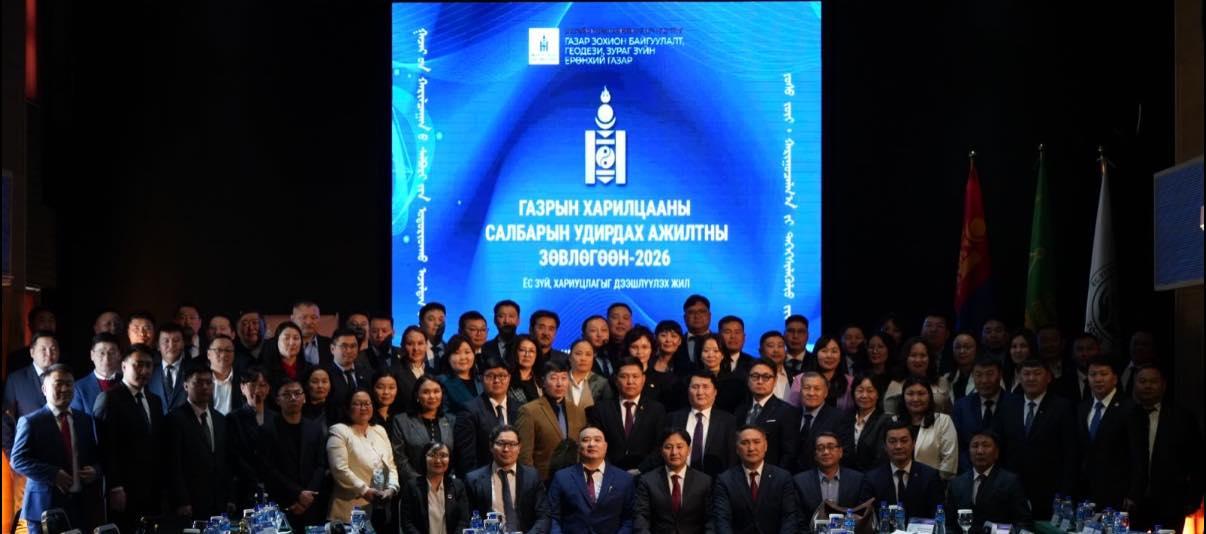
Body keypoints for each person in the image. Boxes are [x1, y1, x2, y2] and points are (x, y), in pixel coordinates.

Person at [11, 364, 102, 534]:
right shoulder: (31, 422)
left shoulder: (85, 420)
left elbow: (97, 456)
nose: (65, 388)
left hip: (80, 507)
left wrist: (95, 471)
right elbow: (17, 460)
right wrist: (53, 474)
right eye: (58, 383)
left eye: (69, 384)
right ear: (44, 389)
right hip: (44, 508)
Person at [93, 345, 163, 532]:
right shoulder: (108, 398)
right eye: (138, 364)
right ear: (123, 366)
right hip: (123, 489)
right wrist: (115, 487)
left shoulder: (155, 401)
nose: (144, 370)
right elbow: (105, 447)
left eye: (148, 365)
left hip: (152, 488)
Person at [995, 359, 1077, 521]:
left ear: (1048, 377)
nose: (1031, 378)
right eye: (1026, 374)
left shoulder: (1063, 407)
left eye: (1037, 373)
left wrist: (1065, 491)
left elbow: (1070, 453)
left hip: (1050, 489)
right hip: (1013, 487)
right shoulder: (1008, 405)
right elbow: (1001, 447)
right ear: (1019, 377)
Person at [1129, 364, 1204, 531]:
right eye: (1142, 381)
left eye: (1153, 381)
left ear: (1163, 385)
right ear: (1135, 384)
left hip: (1171, 501)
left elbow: (1197, 461)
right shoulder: (1127, 416)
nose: (1148, 386)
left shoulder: (1182, 418)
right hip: (1132, 501)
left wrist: (1194, 498)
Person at [164, 365, 233, 522]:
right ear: (185, 386)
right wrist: (181, 500)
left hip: (219, 501)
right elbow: (173, 464)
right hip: (190, 501)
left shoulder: (220, 419)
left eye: (208, 383)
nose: (205, 387)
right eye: (198, 382)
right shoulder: (174, 419)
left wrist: (230, 496)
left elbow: (226, 461)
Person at [259, 379, 329, 531]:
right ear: (277, 400)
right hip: (282, 502)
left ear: (304, 398)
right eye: (287, 394)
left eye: (297, 393)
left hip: (311, 504)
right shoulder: (268, 429)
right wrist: (297, 494)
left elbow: (321, 465)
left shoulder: (314, 428)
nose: (293, 398)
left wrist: (307, 497)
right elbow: (269, 468)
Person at [328, 390, 400, 528]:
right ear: (347, 408)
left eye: (367, 403)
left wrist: (392, 488)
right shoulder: (339, 431)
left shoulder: (379, 430)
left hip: (382, 506)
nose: (364, 407)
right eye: (358, 404)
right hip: (350, 511)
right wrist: (365, 491)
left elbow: (391, 464)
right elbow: (339, 469)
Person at [1076, 356, 1140, 510]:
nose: (1098, 379)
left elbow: (1138, 455)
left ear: (1115, 379)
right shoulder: (1082, 408)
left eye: (1103, 374)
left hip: (1118, 491)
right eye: (1093, 374)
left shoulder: (1130, 408)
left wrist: (1134, 493)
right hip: (1086, 491)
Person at [712, 425, 800, 534]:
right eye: (744, 443)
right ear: (737, 449)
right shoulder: (725, 480)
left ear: (766, 446)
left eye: (756, 442)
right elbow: (722, 521)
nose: (751, 448)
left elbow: (789, 518)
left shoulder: (782, 477)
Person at [547, 426, 636, 533]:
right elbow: (552, 517)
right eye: (586, 440)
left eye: (597, 440)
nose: (591, 444)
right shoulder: (562, 477)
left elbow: (629, 519)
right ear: (578, 447)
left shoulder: (624, 479)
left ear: (605, 446)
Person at [464, 425, 552, 534]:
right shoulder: (474, 479)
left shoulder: (532, 477)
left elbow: (544, 516)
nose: (506, 449)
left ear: (519, 448)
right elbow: (467, 519)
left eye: (512, 444)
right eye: (501, 443)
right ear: (491, 446)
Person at [587, 357, 667, 473]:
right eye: (624, 376)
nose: (630, 382)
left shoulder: (656, 410)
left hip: (646, 474)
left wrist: (641, 469)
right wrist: (610, 470)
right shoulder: (601, 409)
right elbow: (595, 443)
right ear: (616, 380)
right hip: (608, 473)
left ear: (643, 379)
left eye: (635, 376)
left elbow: (660, 446)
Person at [943, 431, 1033, 532]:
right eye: (975, 446)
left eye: (986, 446)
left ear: (996, 453)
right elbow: (948, 524)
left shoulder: (1010, 482)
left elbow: (1024, 524)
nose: (980, 451)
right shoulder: (956, 484)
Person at [516, 359, 586, 481]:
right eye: (553, 378)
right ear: (543, 382)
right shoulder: (529, 411)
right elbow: (524, 455)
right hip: (542, 480)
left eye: (564, 378)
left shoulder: (577, 410)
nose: (559, 384)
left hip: (574, 479)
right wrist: (532, 482)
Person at [633, 429, 713, 534]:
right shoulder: (647, 481)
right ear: (661, 451)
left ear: (689, 450)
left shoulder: (704, 481)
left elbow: (711, 521)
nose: (674, 452)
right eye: (668, 447)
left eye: (679, 447)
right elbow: (641, 518)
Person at [864, 420, 945, 523]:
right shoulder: (872, 479)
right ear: (885, 446)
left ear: (913, 443)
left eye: (904, 441)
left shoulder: (930, 476)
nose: (898, 446)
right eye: (892, 441)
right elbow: (868, 519)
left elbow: (937, 515)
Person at [455, 357, 522, 477]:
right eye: (490, 376)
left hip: (516, 477)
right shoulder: (469, 411)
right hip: (484, 478)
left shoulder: (520, 409)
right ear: (481, 378)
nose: (496, 380)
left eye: (502, 376)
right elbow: (467, 457)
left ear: (509, 378)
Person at [667, 371, 737, 477]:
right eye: (695, 387)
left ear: (715, 392)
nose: (700, 392)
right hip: (679, 480)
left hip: (716, 481)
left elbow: (732, 458)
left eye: (705, 387)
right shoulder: (673, 418)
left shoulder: (728, 421)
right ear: (688, 391)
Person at [733, 360, 800, 469]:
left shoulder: (786, 411)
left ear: (775, 380)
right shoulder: (740, 410)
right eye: (755, 376)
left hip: (772, 474)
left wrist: (777, 476)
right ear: (748, 379)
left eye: (766, 377)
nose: (760, 381)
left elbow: (789, 453)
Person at [4, 332, 61, 458]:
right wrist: (12, 456)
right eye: (43, 349)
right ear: (32, 352)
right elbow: (6, 421)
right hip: (28, 452)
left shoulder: (67, 379)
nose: (49, 354)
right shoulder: (16, 379)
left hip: (60, 454)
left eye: (53, 349)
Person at [793, 432, 867, 526]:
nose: (826, 452)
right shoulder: (800, 482)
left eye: (831, 447)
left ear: (840, 452)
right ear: (815, 455)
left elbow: (862, 517)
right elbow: (799, 520)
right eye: (820, 448)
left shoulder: (857, 480)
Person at [388, 375, 452, 479]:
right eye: (426, 392)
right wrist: (420, 482)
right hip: (413, 483)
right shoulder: (401, 421)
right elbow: (400, 459)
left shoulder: (451, 420)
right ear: (417, 395)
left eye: (436, 391)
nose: (432, 396)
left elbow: (457, 456)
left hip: (447, 482)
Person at [950, 358, 1009, 473]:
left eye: (990, 374)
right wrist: (974, 472)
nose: (984, 380)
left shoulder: (1015, 404)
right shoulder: (961, 406)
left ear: (1000, 375)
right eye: (978, 375)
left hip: (1007, 475)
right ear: (972, 376)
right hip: (969, 473)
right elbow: (958, 446)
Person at [228, 366, 274, 509]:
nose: (258, 390)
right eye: (252, 385)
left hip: (273, 485)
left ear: (268, 389)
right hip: (243, 487)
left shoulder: (276, 418)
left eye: (262, 385)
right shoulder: (233, 419)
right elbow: (234, 455)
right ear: (242, 388)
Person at [400, 441, 469, 534]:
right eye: (432, 455)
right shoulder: (411, 487)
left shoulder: (458, 486)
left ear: (450, 459)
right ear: (424, 458)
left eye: (443, 456)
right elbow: (407, 524)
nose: (438, 461)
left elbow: (463, 521)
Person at [899, 376, 958, 479]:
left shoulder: (943, 421)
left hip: (935, 483)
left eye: (921, 394)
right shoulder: (895, 421)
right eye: (910, 394)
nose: (916, 399)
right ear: (903, 397)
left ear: (930, 396)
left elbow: (949, 461)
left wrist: (934, 483)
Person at [792, 372, 849, 473]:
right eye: (806, 388)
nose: (811, 393)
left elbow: (844, 454)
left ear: (826, 393)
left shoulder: (838, 418)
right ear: (800, 391)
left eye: (817, 389)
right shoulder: (791, 415)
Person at [884, 337, 952, 414]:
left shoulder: (942, 382)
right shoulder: (895, 384)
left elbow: (949, 411)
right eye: (913, 355)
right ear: (906, 358)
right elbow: (889, 416)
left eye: (923, 355)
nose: (918, 360)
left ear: (929, 358)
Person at [841, 373, 890, 471]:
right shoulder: (845, 418)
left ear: (878, 394)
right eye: (860, 390)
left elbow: (881, 457)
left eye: (870, 391)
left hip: (873, 475)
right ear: (853, 393)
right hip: (846, 475)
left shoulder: (885, 421)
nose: (864, 395)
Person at [790, 335, 853, 411]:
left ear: (840, 356)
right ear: (816, 354)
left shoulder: (850, 382)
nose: (829, 356)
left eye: (834, 351)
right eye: (824, 351)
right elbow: (792, 410)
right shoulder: (800, 379)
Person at [70, 333, 123, 416]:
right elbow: (78, 420)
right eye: (102, 353)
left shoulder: (127, 382)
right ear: (92, 355)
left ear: (119, 355)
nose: (106, 358)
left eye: (112, 352)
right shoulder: (79, 388)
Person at [695, 335, 745, 412]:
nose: (710, 355)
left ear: (722, 355)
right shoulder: (692, 380)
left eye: (716, 351)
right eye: (706, 351)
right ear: (700, 355)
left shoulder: (734, 382)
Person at [147, 323, 188, 414]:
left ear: (183, 344)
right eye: (166, 341)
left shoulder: (192, 369)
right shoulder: (149, 372)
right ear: (158, 346)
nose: (171, 345)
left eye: (176, 340)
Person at [326, 328, 373, 408]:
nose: (349, 351)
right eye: (344, 346)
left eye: (353, 346)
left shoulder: (367, 373)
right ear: (332, 349)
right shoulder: (325, 374)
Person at [437, 334, 483, 414]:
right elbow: (442, 413)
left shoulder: (482, 380)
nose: (463, 357)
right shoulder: (441, 382)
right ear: (448, 357)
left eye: (467, 352)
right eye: (457, 353)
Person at [264, 321, 313, 394]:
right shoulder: (266, 370)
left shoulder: (309, 369)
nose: (291, 343)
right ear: (277, 341)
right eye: (286, 338)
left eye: (296, 338)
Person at [651, 320, 687, 411]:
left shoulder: (687, 367)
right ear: (656, 338)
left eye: (673, 336)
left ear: (680, 341)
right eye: (663, 335)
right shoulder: (647, 363)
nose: (668, 340)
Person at [397, 325, 435, 412]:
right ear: (402, 346)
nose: (416, 348)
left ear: (426, 345)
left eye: (420, 343)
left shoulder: (434, 372)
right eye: (410, 344)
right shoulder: (395, 372)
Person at [567, 338, 613, 411]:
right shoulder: (560, 380)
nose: (583, 358)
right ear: (570, 357)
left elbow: (607, 411)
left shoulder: (602, 383)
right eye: (578, 354)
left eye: (588, 354)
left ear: (593, 358)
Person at [208, 335, 243, 415]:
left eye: (228, 350)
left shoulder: (243, 380)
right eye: (219, 350)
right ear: (208, 354)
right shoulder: (198, 380)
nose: (223, 354)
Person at [291, 300, 333, 367]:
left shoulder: (330, 344)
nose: (309, 322)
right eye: (304, 317)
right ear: (293, 319)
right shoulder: (280, 345)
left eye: (314, 318)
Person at [507, 334, 544, 405]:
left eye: (531, 351)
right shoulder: (506, 379)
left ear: (537, 355)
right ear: (514, 352)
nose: (527, 355)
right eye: (522, 350)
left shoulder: (541, 380)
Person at [855, 332, 896, 397]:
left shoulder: (897, 378)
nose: (875, 351)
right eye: (871, 347)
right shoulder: (859, 375)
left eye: (880, 347)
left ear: (889, 349)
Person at [680, 294, 714, 369]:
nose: (697, 316)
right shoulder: (676, 343)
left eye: (702, 311)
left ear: (709, 316)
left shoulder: (722, 342)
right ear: (685, 318)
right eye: (691, 312)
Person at [483, 300, 522, 364]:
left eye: (511, 316)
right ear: (495, 320)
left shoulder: (527, 346)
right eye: (501, 316)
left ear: (518, 320)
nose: (506, 321)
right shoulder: (484, 348)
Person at [945, 332, 979, 401]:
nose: (962, 351)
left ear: (976, 350)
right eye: (957, 347)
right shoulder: (946, 378)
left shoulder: (986, 377)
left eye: (967, 347)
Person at [1000, 329, 1035, 395]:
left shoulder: (1039, 374)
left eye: (1023, 346)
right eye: (1014, 346)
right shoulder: (1005, 373)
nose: (1018, 350)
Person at [419, 302, 448, 370]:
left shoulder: (451, 350)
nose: (437, 323)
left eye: (441, 320)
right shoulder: (414, 351)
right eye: (431, 319)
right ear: (421, 323)